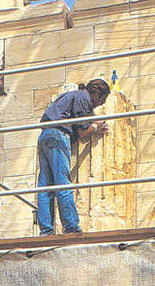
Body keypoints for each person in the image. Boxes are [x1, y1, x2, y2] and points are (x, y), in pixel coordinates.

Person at [37, 78, 111, 235]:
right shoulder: (83, 98)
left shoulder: (73, 96)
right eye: (102, 99)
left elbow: (85, 116)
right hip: (58, 135)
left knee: (45, 186)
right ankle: (71, 227)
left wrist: (93, 120)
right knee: (63, 182)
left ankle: (46, 230)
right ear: (96, 93)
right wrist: (96, 127)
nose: (101, 103)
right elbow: (82, 132)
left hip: (45, 135)